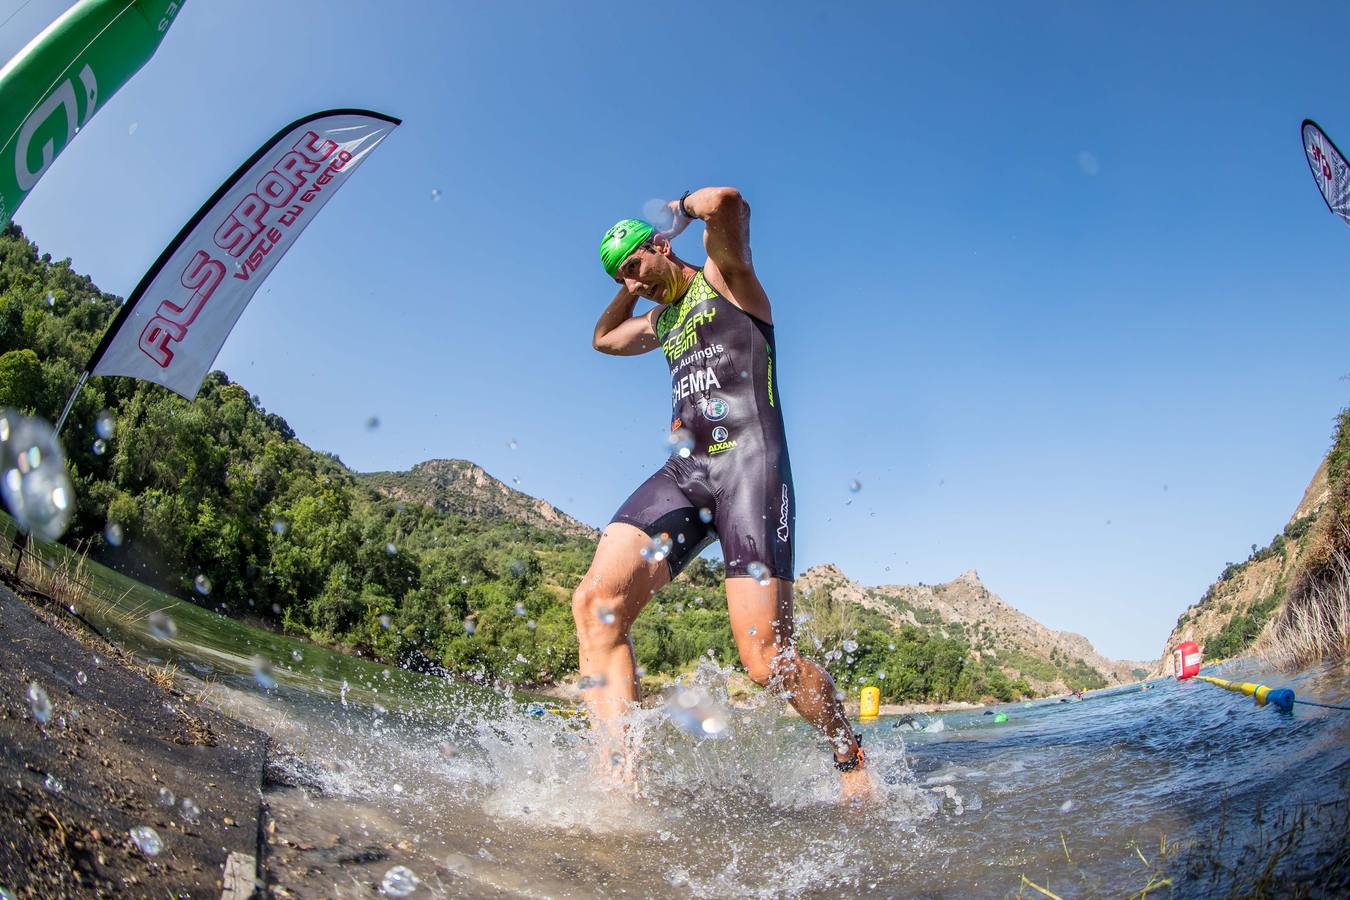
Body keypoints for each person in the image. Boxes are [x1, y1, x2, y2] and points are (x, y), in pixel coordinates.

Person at [573, 187, 872, 800]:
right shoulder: (659, 318)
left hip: (749, 468)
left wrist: (679, 210)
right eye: (621, 276)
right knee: (594, 605)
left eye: (636, 265)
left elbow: (729, 203)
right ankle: (618, 782)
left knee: (764, 661)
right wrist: (629, 285)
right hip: (687, 475)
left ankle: (850, 755)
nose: (635, 282)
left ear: (661, 247)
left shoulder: (724, 278)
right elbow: (603, 340)